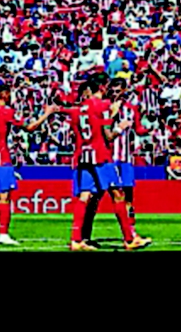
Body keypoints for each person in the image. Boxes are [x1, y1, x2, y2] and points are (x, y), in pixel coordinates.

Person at [63, 77, 151, 251]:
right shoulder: (101, 105)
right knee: (118, 194)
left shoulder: (81, 108)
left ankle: (76, 240)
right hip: (101, 155)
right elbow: (108, 136)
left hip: (84, 156)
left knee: (85, 196)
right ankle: (129, 239)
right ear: (103, 87)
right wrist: (121, 127)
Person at [0, 84, 55, 246]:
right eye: (9, 93)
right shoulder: (6, 112)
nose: (11, 96)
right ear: (4, 94)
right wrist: (47, 114)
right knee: (5, 197)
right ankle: (3, 234)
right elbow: (29, 127)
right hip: (1, 158)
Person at [108, 77, 150, 241]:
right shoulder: (106, 107)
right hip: (108, 159)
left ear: (125, 91)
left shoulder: (132, 109)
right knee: (99, 196)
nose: (115, 94)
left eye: (119, 91)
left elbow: (138, 129)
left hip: (125, 159)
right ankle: (82, 234)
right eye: (113, 90)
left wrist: (149, 130)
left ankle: (131, 232)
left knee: (128, 197)